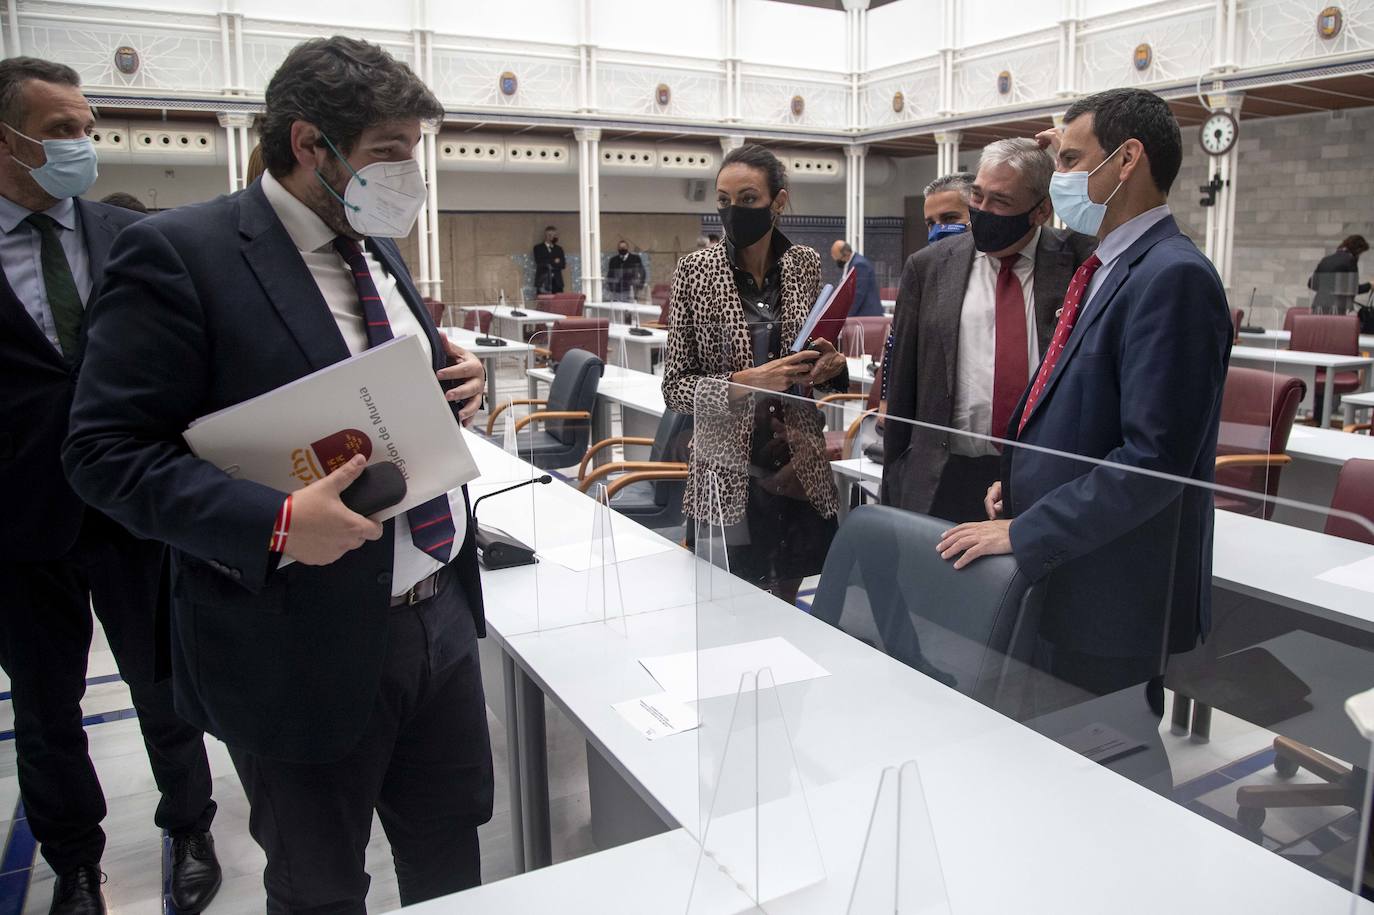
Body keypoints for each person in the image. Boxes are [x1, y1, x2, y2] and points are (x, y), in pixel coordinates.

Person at [62, 37, 494, 912]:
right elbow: (102, 452)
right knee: (320, 884)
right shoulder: (181, 254)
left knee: (450, 861)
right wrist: (277, 522)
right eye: (387, 155)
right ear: (308, 144)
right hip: (297, 642)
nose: (406, 177)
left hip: (438, 616)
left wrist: (458, 382)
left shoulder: (375, 245)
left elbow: (370, 385)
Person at [0, 56, 220, 915]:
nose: (83, 144)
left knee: (163, 682)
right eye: (61, 130)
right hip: (19, 520)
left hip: (135, 502)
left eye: (88, 128)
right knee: (46, 707)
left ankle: (191, 824)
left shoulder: (128, 238)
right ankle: (76, 864)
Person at [936, 88, 1232, 703]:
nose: (1058, 178)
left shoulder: (1172, 276)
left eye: (1069, 161)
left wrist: (1028, 528)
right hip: (1070, 569)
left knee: (1107, 765)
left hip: (1114, 594)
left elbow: (1152, 460)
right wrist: (1021, 484)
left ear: (1127, 160)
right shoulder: (1109, 266)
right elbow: (1079, 411)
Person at [663, 144, 848, 606]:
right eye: (723, 201)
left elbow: (807, 361)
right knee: (729, 603)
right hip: (728, 466)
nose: (732, 211)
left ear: (777, 202)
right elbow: (674, 389)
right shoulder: (695, 271)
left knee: (792, 590)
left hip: (795, 456)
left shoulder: (803, 264)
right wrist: (745, 383)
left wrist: (831, 365)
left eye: (747, 199)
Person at [882, 140, 1096, 523]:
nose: (982, 211)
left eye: (1000, 202)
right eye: (977, 197)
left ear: (1041, 211)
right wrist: (894, 484)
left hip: (1040, 476)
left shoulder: (1081, 263)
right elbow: (902, 387)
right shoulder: (928, 268)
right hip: (943, 473)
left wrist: (1072, 152)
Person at [877, 172, 975, 413]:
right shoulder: (922, 271)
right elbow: (897, 342)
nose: (939, 229)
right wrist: (886, 400)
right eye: (931, 222)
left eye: (950, 217)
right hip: (933, 410)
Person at [1308, 234, 1369, 314]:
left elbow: (1311, 284)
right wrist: (1370, 285)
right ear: (1358, 250)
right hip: (1337, 309)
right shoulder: (1350, 260)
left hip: (1318, 307)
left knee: (1319, 327)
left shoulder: (1326, 260)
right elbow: (1354, 289)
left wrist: (1327, 288)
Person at [830, 239, 883, 316]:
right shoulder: (850, 264)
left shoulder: (859, 265)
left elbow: (858, 294)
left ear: (846, 253)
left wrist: (845, 316)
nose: (837, 261)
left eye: (838, 258)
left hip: (867, 316)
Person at [533, 224, 564, 293]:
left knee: (558, 302)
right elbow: (540, 262)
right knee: (543, 302)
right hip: (543, 282)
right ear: (546, 235)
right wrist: (554, 261)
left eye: (554, 235)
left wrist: (550, 262)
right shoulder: (538, 248)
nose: (552, 237)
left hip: (557, 282)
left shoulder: (559, 249)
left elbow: (562, 264)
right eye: (550, 235)